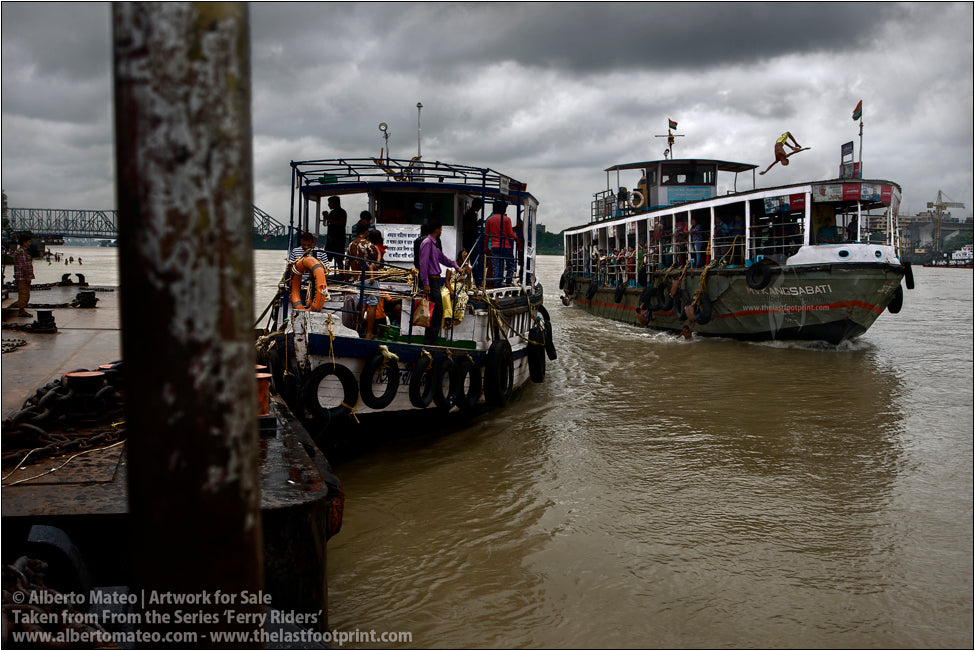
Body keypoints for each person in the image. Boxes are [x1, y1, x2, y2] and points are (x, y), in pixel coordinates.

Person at [419, 219, 465, 344]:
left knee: (436, 309)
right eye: (440, 229)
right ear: (436, 229)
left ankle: (430, 338)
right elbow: (423, 264)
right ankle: (430, 339)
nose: (441, 231)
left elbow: (443, 258)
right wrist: (426, 283)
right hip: (432, 281)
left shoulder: (433, 244)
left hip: (434, 280)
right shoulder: (428, 243)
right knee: (437, 309)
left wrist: (456, 266)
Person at [346, 222, 381, 339]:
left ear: (356, 232)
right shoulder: (369, 245)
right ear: (366, 232)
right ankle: (369, 333)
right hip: (369, 279)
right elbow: (378, 263)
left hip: (357, 280)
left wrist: (346, 280)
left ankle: (358, 330)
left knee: (362, 305)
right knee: (372, 305)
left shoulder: (350, 245)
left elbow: (347, 264)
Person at [485, 202, 516, 286]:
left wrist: (485, 248)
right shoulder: (506, 219)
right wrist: (517, 238)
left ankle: (497, 282)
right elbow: (510, 233)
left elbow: (486, 235)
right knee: (510, 264)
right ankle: (508, 281)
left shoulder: (489, 220)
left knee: (496, 265)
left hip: (494, 246)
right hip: (505, 245)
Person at [323, 196, 347, 271]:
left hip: (339, 239)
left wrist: (328, 218)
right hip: (331, 239)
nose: (329, 205)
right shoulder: (332, 212)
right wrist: (326, 217)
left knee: (339, 259)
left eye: (330, 203)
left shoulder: (342, 212)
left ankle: (341, 276)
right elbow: (326, 223)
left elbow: (341, 222)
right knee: (326, 258)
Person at [14, 234, 35, 318]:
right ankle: (21, 311)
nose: (30, 243)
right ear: (24, 242)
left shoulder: (21, 251)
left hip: (21, 276)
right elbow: (23, 265)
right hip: (22, 277)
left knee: (24, 293)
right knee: (24, 293)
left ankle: (22, 310)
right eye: (28, 241)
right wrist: (27, 277)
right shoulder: (22, 252)